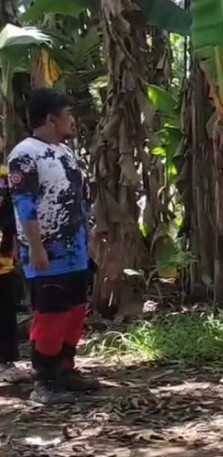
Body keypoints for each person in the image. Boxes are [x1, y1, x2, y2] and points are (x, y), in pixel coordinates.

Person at [8, 89, 99, 405]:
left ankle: (66, 368)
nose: (73, 120)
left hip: (76, 249)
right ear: (50, 118)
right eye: (68, 113)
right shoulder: (25, 154)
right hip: (47, 251)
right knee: (51, 314)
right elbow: (24, 203)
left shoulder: (65, 152)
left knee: (75, 311)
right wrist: (35, 246)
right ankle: (44, 381)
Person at [0, 130, 32, 384]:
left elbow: (13, 219)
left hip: (3, 261)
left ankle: (6, 363)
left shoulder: (5, 177)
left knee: (5, 309)